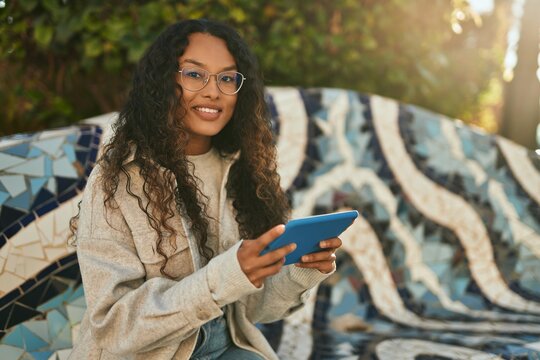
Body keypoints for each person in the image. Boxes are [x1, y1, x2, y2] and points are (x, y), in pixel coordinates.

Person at [69, 19, 342, 360]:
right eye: (195, 74)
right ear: (165, 81)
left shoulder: (241, 170)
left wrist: (301, 271)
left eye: (227, 78)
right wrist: (224, 276)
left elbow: (252, 310)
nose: (213, 91)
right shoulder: (119, 178)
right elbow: (114, 329)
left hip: (225, 345)